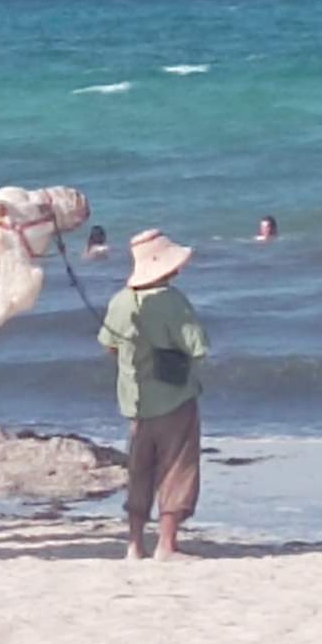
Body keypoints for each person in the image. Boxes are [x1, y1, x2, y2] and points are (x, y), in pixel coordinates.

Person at [98, 229, 209, 561]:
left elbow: (109, 345)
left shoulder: (120, 301)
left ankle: (134, 544)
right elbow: (198, 347)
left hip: (135, 401)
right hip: (174, 397)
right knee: (177, 468)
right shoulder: (173, 301)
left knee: (139, 469)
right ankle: (166, 545)